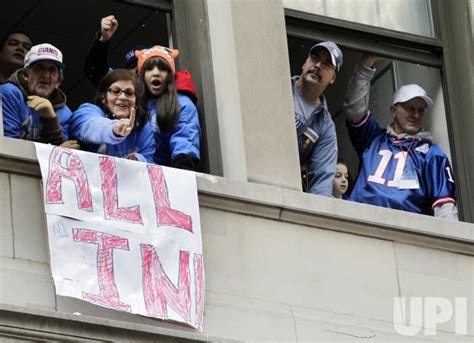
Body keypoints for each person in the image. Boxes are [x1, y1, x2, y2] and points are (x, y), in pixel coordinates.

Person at [342, 54, 458, 219]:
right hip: (359, 221)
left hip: (405, 232)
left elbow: (444, 207)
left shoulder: (432, 154)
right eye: (410, 108)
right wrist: (366, 64)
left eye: (420, 110)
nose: (415, 114)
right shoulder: (373, 138)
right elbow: (354, 108)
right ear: (393, 111)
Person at [83, 15, 198, 104]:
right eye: (130, 69)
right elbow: (95, 70)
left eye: (140, 69)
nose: (134, 74)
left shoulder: (171, 99)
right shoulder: (122, 92)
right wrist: (104, 39)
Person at [135, 45, 200, 170]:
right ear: (142, 76)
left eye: (162, 69)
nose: (156, 73)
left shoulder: (182, 104)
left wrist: (181, 175)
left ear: (170, 75)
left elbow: (184, 140)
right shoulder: (133, 99)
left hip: (166, 177)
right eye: (149, 69)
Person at [1, 43, 78, 147]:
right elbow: (8, 145)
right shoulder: (8, 94)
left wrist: (51, 119)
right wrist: (55, 151)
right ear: (25, 75)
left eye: (52, 70)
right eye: (40, 68)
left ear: (58, 82)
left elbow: (65, 151)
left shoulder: (65, 113)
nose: (46, 75)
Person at [69, 69, 155, 163]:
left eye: (129, 93)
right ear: (103, 98)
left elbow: (149, 160)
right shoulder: (86, 111)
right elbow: (90, 126)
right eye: (115, 91)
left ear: (135, 101)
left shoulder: (143, 126)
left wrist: (137, 160)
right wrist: (114, 129)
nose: (122, 97)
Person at [293, 41, 343, 196]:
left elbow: (321, 182)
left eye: (326, 64)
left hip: (286, 189)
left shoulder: (326, 127)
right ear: (305, 62)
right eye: (314, 58)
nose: (318, 65)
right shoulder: (276, 86)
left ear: (333, 78)